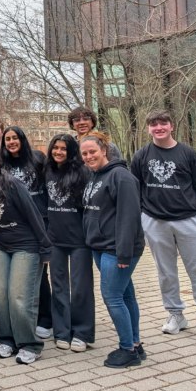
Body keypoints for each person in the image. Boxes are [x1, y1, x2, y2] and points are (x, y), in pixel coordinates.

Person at [131, 110, 196, 343]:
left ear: (171, 126)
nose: (158, 127)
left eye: (163, 123)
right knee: (166, 272)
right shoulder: (141, 155)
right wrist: (143, 217)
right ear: (148, 129)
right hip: (155, 222)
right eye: (153, 124)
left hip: (190, 221)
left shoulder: (189, 154)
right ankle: (176, 315)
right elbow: (135, 188)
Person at [0, 149, 51, 365]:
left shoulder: (12, 184)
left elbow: (33, 214)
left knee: (20, 297)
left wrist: (45, 247)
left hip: (26, 245)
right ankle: (7, 339)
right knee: (1, 297)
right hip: (1, 246)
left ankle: (30, 344)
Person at [80, 131, 145, 368]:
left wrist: (123, 253)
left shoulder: (121, 177)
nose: (89, 157)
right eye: (84, 153)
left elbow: (129, 217)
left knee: (112, 297)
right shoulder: (95, 176)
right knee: (126, 295)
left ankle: (127, 349)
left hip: (116, 249)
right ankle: (135, 344)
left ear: (104, 150)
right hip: (100, 246)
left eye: (93, 152)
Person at [1, 125, 52, 339]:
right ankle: (21, 318)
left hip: (40, 220)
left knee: (41, 273)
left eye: (15, 138)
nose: (11, 142)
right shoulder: (1, 164)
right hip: (16, 224)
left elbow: (50, 185)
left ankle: (46, 318)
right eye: (8, 139)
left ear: (22, 139)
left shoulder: (38, 159)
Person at [44, 134, 94, 352]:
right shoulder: (47, 170)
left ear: (71, 151)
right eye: (55, 148)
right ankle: (61, 331)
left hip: (79, 240)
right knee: (59, 286)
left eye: (63, 149)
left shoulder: (83, 172)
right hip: (55, 239)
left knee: (81, 287)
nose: (58, 152)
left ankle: (82, 332)